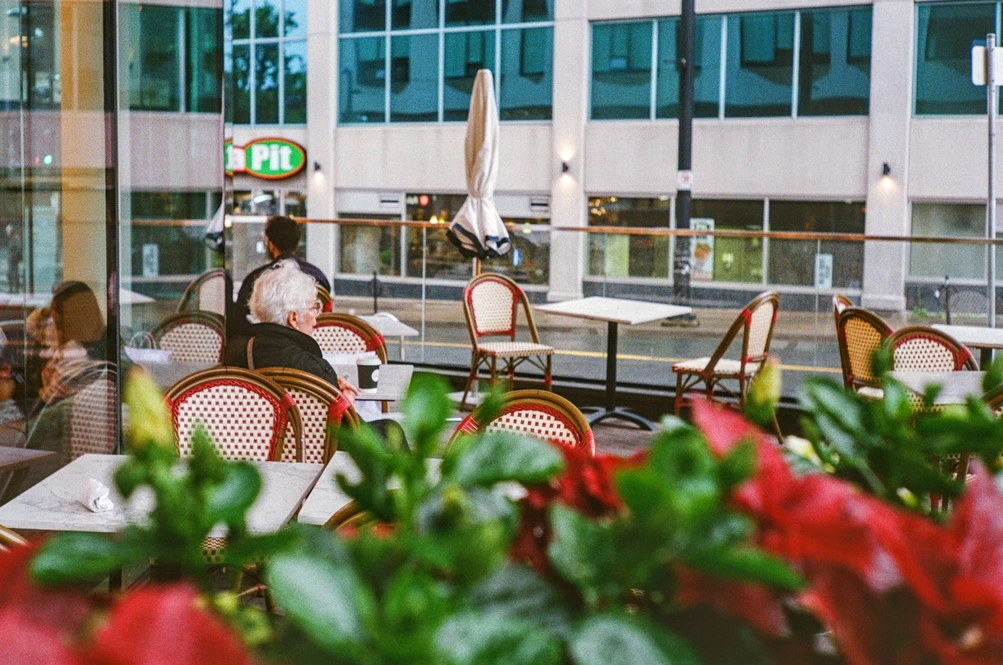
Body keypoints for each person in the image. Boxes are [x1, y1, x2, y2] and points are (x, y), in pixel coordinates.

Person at [224, 260, 357, 400]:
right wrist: (345, 402)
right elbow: (340, 420)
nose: (316, 319)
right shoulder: (312, 369)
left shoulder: (235, 353)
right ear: (293, 318)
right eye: (314, 308)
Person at [228, 215, 330, 339]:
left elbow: (239, 324)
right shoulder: (319, 277)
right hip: (317, 342)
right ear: (296, 243)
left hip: (265, 346)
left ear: (270, 244)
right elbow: (328, 318)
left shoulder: (255, 280)